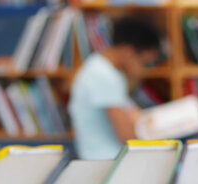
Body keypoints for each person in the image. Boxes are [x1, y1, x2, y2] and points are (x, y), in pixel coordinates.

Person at [68, 15, 161, 159]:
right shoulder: (102, 76)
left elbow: (133, 114)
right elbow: (126, 135)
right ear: (128, 52)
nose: (144, 70)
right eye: (145, 63)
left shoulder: (108, 71)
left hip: (110, 157)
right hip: (105, 160)